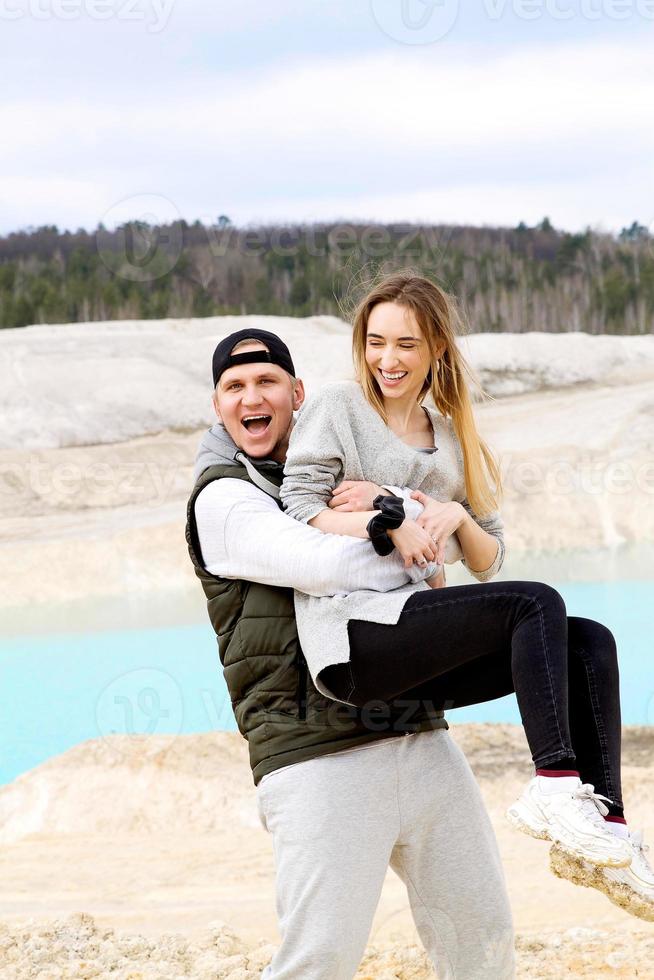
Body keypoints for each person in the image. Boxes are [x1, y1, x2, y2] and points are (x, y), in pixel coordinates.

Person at [278, 272, 654, 920]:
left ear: (437, 350)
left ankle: (607, 831)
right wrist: (391, 519)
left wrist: (452, 514)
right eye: (375, 342)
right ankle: (556, 783)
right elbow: (299, 508)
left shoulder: (452, 436)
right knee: (534, 603)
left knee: (590, 640)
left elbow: (489, 556)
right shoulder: (340, 408)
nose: (388, 360)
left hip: (417, 642)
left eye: (406, 345)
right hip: (356, 639)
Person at [186, 327, 516, 979]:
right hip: (317, 756)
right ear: (219, 405)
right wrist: (412, 529)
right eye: (234, 387)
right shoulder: (223, 499)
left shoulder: (340, 471)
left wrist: (419, 523)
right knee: (321, 960)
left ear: (297, 394)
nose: (252, 397)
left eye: (267, 381)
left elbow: (457, 544)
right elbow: (330, 564)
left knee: (482, 937)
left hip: (418, 735)